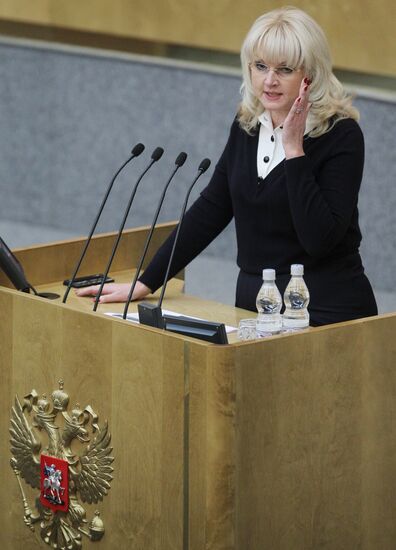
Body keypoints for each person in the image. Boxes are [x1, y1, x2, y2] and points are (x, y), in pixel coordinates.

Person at [77, 6, 377, 326]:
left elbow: (319, 240)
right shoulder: (247, 124)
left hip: (326, 310)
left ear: (310, 75)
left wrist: (294, 150)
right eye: (260, 66)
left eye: (285, 70)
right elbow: (213, 207)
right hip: (253, 305)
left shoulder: (340, 134)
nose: (270, 81)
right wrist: (147, 281)